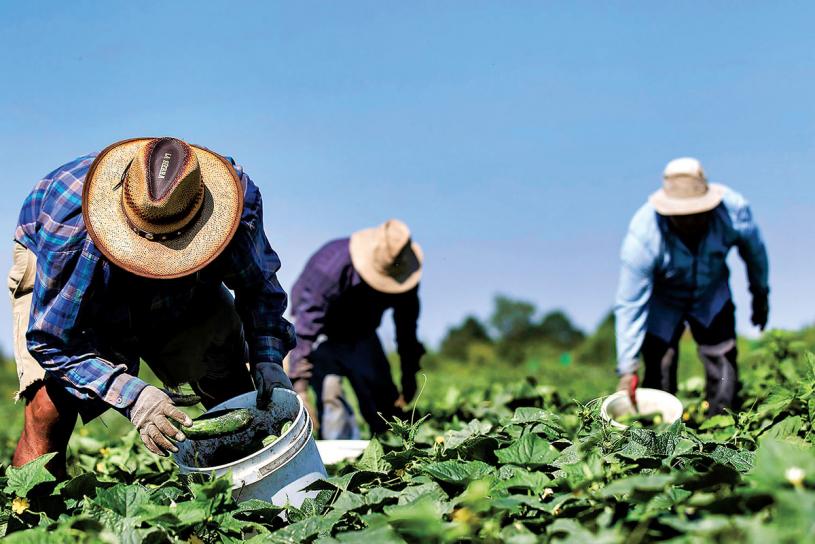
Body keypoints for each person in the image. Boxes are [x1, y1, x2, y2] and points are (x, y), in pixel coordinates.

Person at [9, 137, 295, 477]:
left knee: (228, 378)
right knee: (49, 407)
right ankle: (32, 511)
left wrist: (267, 358)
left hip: (185, 290)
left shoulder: (234, 207)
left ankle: (255, 495)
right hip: (74, 271)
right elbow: (53, 341)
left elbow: (258, 288)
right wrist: (134, 396)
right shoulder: (73, 232)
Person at [614, 158, 769, 415]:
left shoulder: (734, 212)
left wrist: (760, 294)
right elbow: (630, 304)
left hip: (711, 294)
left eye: (696, 214)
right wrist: (627, 368)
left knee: (722, 363)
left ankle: (723, 424)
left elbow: (755, 254)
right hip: (665, 300)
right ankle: (660, 433)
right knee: (659, 365)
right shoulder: (643, 236)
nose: (689, 222)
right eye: (681, 216)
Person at [288, 219, 425, 439]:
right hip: (321, 332)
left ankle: (393, 450)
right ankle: (340, 459)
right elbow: (306, 327)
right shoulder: (329, 266)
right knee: (331, 395)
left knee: (384, 401)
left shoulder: (404, 273)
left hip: (362, 331)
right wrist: (299, 386)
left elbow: (406, 330)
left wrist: (410, 375)